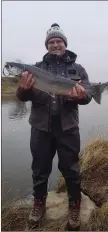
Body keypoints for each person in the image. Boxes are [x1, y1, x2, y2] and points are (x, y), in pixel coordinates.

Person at [16, 23, 92, 231]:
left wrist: (83, 95)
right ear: (47, 45)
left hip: (68, 129)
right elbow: (22, 97)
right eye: (51, 42)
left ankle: (74, 205)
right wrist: (23, 89)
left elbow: (87, 97)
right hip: (41, 128)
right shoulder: (35, 69)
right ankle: (38, 203)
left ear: (65, 43)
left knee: (71, 170)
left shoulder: (78, 70)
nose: (55, 44)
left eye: (59, 41)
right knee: (39, 169)